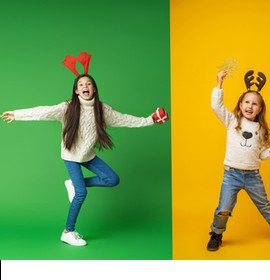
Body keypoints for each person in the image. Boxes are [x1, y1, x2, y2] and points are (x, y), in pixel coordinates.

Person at [1, 52, 169, 246]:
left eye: (88, 84)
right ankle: (68, 231)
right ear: (76, 91)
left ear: (94, 89)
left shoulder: (102, 109)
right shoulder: (67, 107)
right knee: (81, 194)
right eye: (81, 85)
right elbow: (43, 111)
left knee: (112, 179)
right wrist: (17, 114)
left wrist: (149, 120)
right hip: (71, 156)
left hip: (87, 155)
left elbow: (124, 119)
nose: (85, 86)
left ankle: (73, 183)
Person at [206, 70, 270, 251]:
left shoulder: (262, 129)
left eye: (255, 104)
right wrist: (219, 83)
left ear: (260, 109)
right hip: (231, 174)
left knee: (265, 205)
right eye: (247, 102)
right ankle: (216, 234)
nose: (250, 106)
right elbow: (216, 106)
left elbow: (262, 154)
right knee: (223, 208)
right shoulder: (232, 121)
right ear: (240, 105)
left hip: (252, 176)